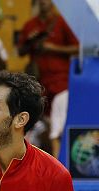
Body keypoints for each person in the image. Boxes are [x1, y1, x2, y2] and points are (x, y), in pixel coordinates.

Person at [18, 0, 78, 158]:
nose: (43, 2)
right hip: (38, 84)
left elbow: (78, 48)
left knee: (58, 127)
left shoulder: (62, 21)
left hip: (60, 82)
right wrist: (31, 42)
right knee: (41, 126)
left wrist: (53, 48)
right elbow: (20, 52)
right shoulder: (30, 24)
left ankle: (61, 163)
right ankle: (42, 162)